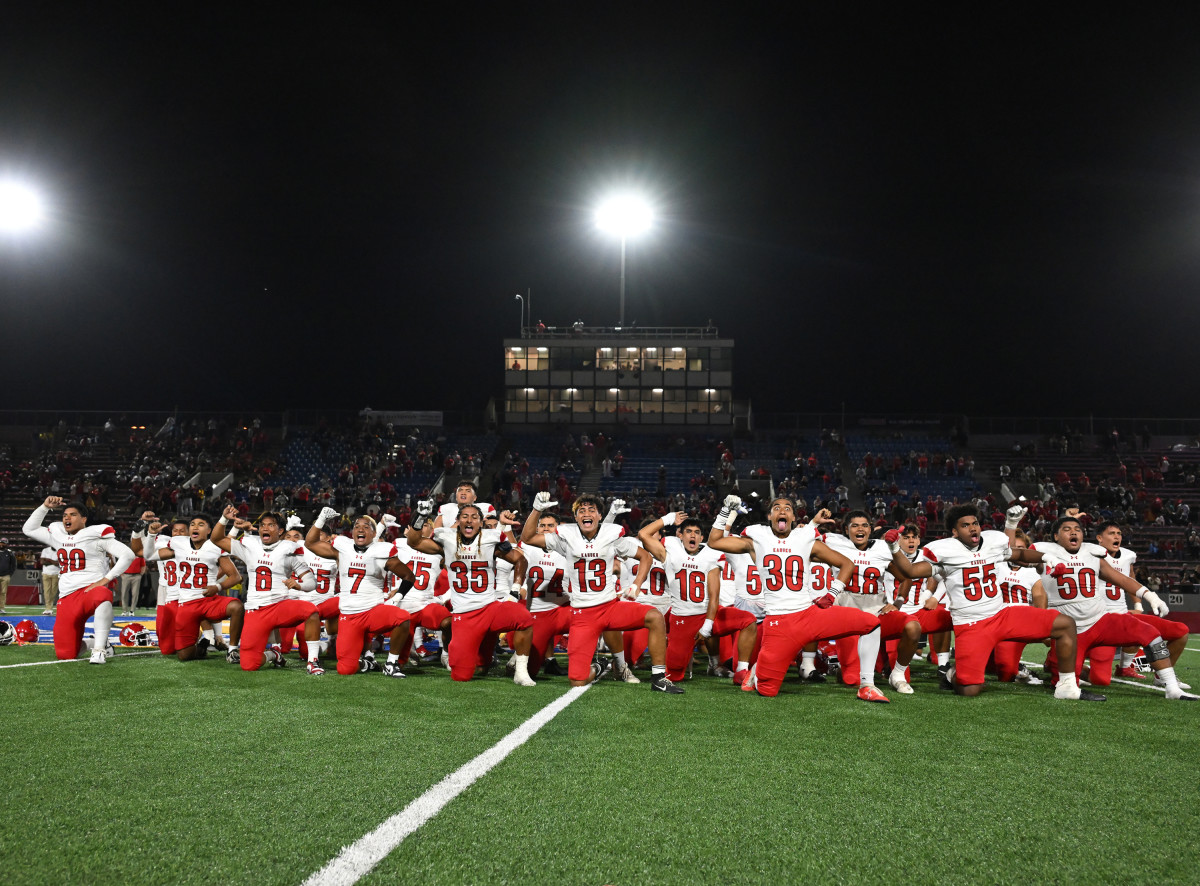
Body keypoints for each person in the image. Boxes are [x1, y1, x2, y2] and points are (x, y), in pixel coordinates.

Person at [887, 504, 1098, 700]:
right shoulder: (944, 551)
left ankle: (1067, 686)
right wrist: (895, 548)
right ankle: (953, 674)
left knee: (1064, 624)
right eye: (965, 525)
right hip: (971, 625)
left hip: (1001, 614)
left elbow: (1018, 553)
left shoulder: (992, 542)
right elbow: (910, 571)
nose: (972, 529)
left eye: (975, 523)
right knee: (969, 690)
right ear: (954, 532)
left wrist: (1045, 558)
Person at [706, 495, 888, 702]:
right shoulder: (756, 539)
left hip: (808, 614)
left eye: (787, 508)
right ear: (770, 515)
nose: (782, 511)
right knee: (767, 690)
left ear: (793, 516)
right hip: (778, 623)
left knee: (872, 624)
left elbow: (847, 564)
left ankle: (867, 685)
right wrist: (724, 511)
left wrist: (832, 593)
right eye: (776, 507)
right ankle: (757, 671)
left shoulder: (805, 540)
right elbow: (714, 541)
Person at [1011, 514, 1194, 701]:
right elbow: (1015, 555)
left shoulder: (1092, 553)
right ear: (1056, 537)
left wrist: (1148, 595)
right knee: (1065, 682)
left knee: (1150, 633)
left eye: (1078, 529)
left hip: (1101, 620)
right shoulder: (1044, 552)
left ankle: (1172, 688)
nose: (1074, 532)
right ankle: (1053, 663)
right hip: (1070, 631)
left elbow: (1120, 578)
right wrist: (1011, 527)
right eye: (1067, 529)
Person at [521, 491, 682, 693]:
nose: (586, 513)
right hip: (582, 614)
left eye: (591, 510)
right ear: (576, 517)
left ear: (599, 516)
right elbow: (527, 537)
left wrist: (637, 585)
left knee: (655, 617)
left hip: (609, 607)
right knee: (577, 680)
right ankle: (600, 666)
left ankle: (659, 678)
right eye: (582, 510)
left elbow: (646, 558)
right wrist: (537, 509)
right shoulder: (565, 539)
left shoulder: (611, 537)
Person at [408, 500, 536, 685]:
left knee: (524, 619)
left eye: (474, 517)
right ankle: (477, 656)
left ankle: (521, 672)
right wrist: (419, 516)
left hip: (490, 607)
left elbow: (520, 559)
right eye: (465, 516)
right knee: (461, 675)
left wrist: (515, 589)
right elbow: (414, 542)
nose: (469, 520)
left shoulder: (491, 538)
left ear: (481, 521)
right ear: (458, 520)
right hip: (463, 614)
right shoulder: (447, 538)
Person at [638, 512, 757, 684]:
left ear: (702, 536)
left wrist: (708, 623)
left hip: (708, 614)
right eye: (688, 531)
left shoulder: (710, 554)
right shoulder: (669, 552)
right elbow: (643, 534)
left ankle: (741, 671)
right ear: (680, 535)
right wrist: (668, 519)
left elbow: (714, 595)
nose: (692, 535)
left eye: (696, 532)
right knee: (674, 675)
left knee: (748, 620)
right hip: (683, 619)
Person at [210, 506, 323, 674]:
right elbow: (217, 539)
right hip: (256, 610)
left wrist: (299, 586)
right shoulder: (250, 544)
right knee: (248, 664)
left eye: (271, 525)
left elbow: (311, 582)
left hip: (280, 606)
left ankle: (313, 662)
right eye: (263, 524)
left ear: (281, 530)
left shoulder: (289, 548)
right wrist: (224, 519)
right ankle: (273, 654)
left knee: (311, 611)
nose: (265, 528)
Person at [22, 497, 135, 662]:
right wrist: (45, 507)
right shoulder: (58, 535)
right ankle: (93, 643)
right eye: (65, 515)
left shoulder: (95, 536)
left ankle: (99, 649)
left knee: (103, 595)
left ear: (84, 519)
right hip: (67, 597)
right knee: (66, 655)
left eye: (73, 515)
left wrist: (106, 579)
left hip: (90, 591)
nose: (67, 518)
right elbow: (28, 529)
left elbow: (128, 555)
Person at [305, 508, 416, 677]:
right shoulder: (342, 549)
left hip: (373, 610)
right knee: (345, 669)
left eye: (366, 527)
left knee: (402, 618)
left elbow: (409, 576)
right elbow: (310, 543)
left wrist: (397, 597)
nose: (361, 529)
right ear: (352, 532)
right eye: (357, 526)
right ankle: (367, 663)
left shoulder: (382, 551)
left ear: (374, 534)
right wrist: (320, 519)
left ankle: (391, 663)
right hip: (349, 615)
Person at [822, 510, 923, 694]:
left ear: (870, 529)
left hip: (877, 613)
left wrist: (898, 603)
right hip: (847, 617)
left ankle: (897, 674)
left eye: (864, 525)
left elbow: (906, 577)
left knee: (913, 626)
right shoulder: (834, 542)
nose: (860, 529)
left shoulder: (882, 548)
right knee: (852, 680)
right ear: (846, 529)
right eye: (855, 525)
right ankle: (842, 670)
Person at [134, 513, 244, 662]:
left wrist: (217, 587)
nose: (195, 527)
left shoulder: (215, 547)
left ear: (209, 530)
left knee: (236, 606)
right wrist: (151, 535)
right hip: (186, 604)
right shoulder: (179, 543)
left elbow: (236, 576)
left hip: (207, 600)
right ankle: (203, 646)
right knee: (184, 656)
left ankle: (232, 650)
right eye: (192, 524)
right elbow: (148, 556)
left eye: (200, 524)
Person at [1091, 520, 1189, 683]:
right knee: (1100, 679)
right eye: (1111, 533)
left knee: (1181, 631)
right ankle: (1057, 664)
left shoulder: (1128, 556)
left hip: (1122, 614)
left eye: (1119, 533)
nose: (1117, 536)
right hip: (1099, 620)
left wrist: (1137, 604)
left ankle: (1150, 673)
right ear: (1099, 538)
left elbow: (1130, 579)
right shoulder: (1089, 555)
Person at [39, 543, 59, 615]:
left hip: (56, 573)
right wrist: (54, 562)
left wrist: (49, 560)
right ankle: (48, 608)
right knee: (46, 591)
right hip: (46, 573)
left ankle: (50, 607)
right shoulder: (45, 550)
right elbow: (42, 562)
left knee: (53, 592)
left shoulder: (60, 550)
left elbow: (59, 563)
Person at [0, 538, 15, 614]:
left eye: (4, 543)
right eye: (1, 543)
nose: (2, 544)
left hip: (6, 575)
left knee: (3, 593)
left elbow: (13, 565)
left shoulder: (9, 553)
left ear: (7, 544)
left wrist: (10, 574)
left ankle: (2, 608)